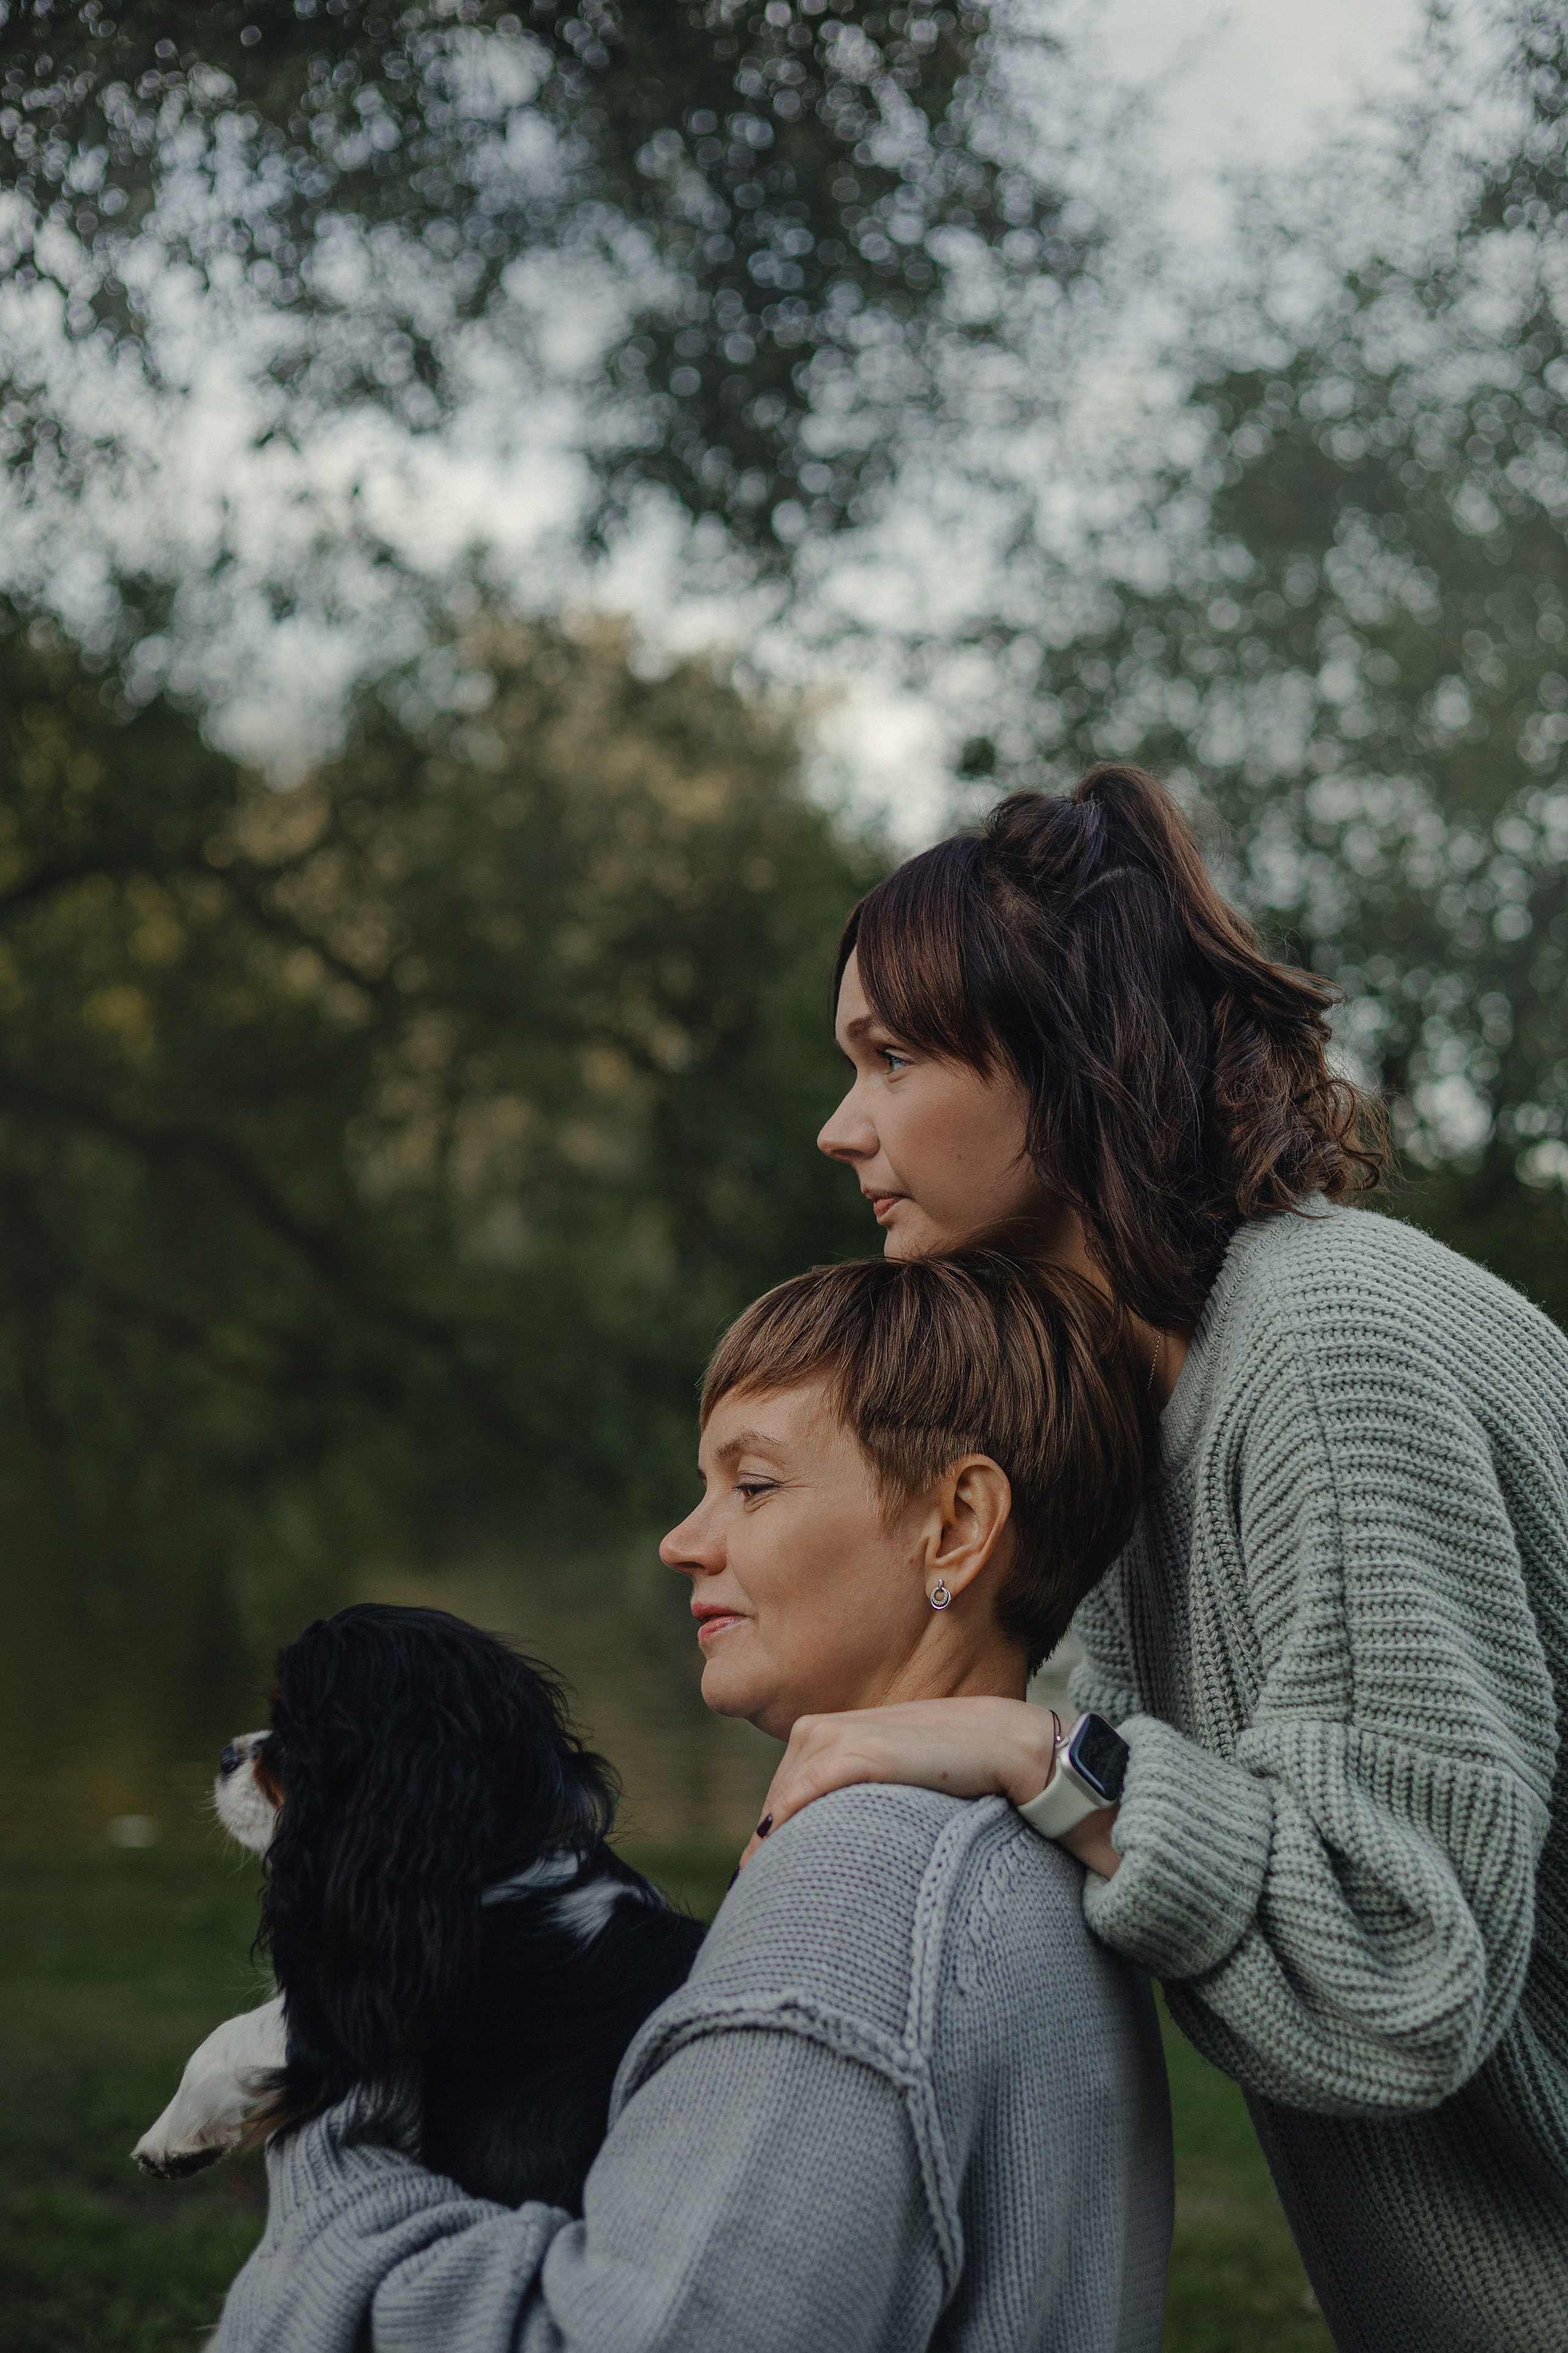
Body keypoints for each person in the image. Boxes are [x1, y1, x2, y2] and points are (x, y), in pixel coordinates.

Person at [744, 765, 1568, 2353]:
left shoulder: (1333, 1348)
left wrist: (1036, 1753)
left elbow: (1399, 1973)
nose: (841, 1125)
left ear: (1063, 1053)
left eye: (894, 1055)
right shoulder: (1144, 1407)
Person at [210, 1252, 1174, 2353]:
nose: (682, 1540)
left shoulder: (862, 1898)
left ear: (956, 1524)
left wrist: (340, 2113)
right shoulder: (1028, 1851)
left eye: (752, 1485)